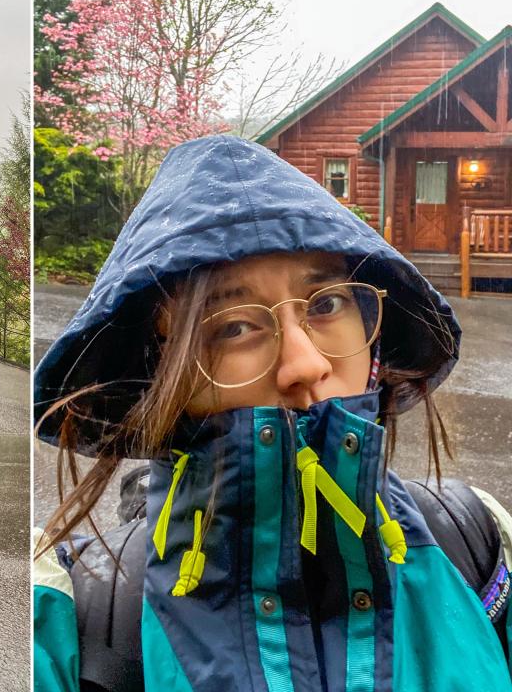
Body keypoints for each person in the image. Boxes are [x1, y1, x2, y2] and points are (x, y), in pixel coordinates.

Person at [33, 135, 512, 692]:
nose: (305, 365)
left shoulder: (478, 540)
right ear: (158, 376)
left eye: (327, 304)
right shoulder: (66, 614)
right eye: (232, 328)